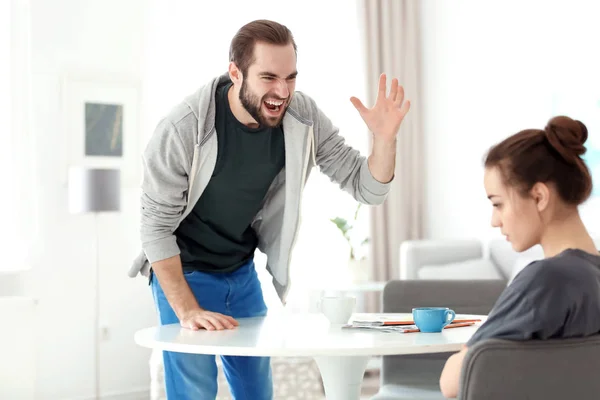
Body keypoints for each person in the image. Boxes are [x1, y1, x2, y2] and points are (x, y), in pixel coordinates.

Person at [128, 19, 410, 399]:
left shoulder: (303, 117)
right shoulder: (184, 128)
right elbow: (155, 229)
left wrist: (384, 140)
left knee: (256, 389)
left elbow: (367, 188)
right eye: (268, 77)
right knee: (194, 389)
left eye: (291, 77)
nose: (282, 91)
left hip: (240, 271)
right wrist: (188, 310)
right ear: (235, 73)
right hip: (183, 270)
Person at [439, 116, 600, 398]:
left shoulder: (546, 281)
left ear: (539, 197)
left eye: (498, 204)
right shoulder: (590, 274)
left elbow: (452, 382)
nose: (494, 220)